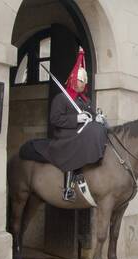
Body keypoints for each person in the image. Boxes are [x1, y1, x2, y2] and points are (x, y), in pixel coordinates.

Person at [34, 47, 108, 200]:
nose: (84, 84)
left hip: (82, 131)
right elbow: (55, 119)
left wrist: (98, 118)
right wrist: (76, 119)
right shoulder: (62, 98)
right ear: (74, 79)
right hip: (66, 133)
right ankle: (68, 189)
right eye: (81, 80)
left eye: (85, 81)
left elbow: (92, 115)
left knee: (99, 128)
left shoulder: (84, 100)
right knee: (84, 137)